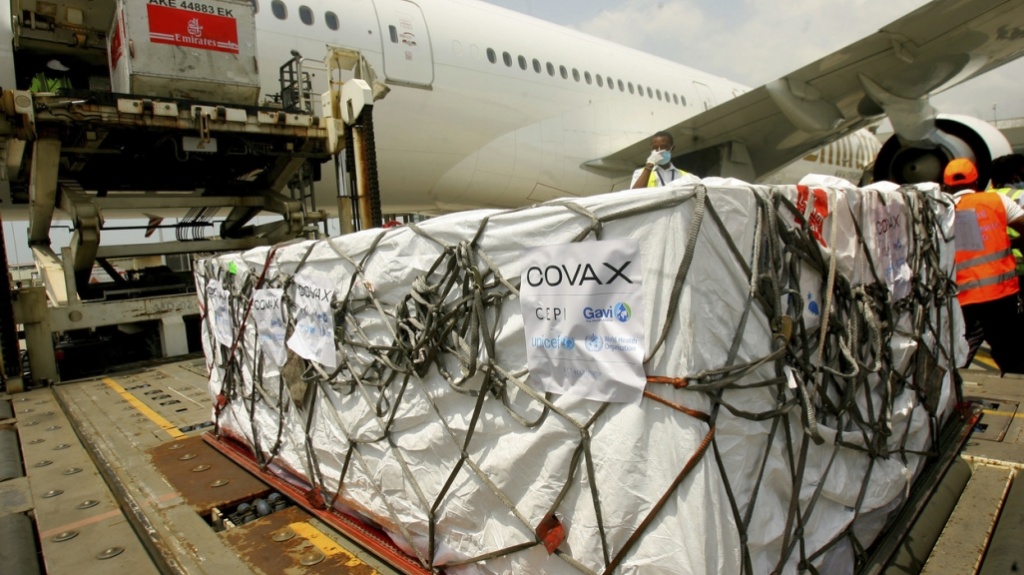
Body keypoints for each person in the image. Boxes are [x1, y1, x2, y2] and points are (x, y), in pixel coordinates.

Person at [946, 157, 1024, 373]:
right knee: (1011, 352)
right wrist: (1012, 243)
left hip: (964, 296)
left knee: (960, 350)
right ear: (976, 181)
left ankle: (951, 386)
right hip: (1001, 292)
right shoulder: (997, 200)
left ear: (946, 185)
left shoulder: (941, 209)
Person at [990, 154, 1024, 285]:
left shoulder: (983, 198)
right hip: (1020, 263)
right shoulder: (1021, 195)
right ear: (1015, 177)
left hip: (996, 266)